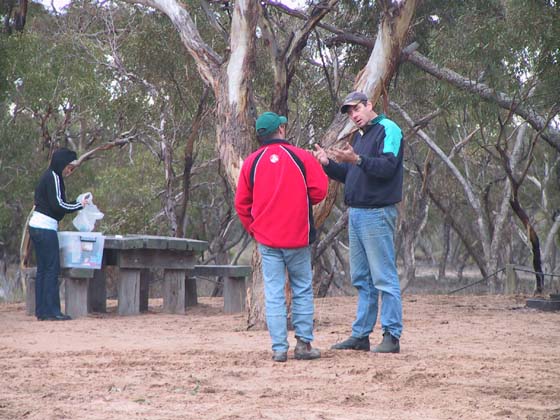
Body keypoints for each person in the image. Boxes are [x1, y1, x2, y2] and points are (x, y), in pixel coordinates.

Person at [313, 91, 404, 353]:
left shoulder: (389, 130)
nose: (354, 115)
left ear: (369, 105)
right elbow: (351, 174)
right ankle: (361, 335)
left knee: (384, 278)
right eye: (350, 112)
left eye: (356, 109)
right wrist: (328, 164)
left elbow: (387, 167)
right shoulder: (360, 137)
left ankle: (391, 335)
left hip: (377, 213)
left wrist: (358, 159)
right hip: (356, 214)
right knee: (362, 279)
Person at [235, 111, 328, 362]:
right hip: (298, 236)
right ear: (281, 130)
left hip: (267, 239)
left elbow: (242, 204)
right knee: (302, 289)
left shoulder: (251, 162)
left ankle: (278, 348)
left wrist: (254, 229)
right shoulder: (301, 157)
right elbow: (320, 191)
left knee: (274, 292)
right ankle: (304, 345)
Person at [28, 148, 90, 321]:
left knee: (43, 269)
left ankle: (42, 310)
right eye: (69, 167)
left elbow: (58, 204)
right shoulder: (53, 177)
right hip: (45, 228)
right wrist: (79, 205)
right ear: (61, 164)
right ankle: (52, 311)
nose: (69, 171)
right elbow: (58, 206)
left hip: (37, 226)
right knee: (51, 269)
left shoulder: (50, 176)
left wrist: (76, 204)